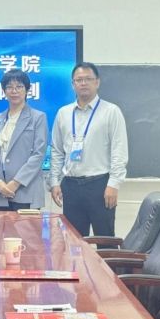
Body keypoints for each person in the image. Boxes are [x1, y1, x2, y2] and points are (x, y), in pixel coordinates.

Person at [49, 62, 128, 238]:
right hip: (70, 185)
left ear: (97, 82)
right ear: (73, 84)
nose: (83, 83)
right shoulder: (63, 113)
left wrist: (113, 184)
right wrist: (54, 182)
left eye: (88, 79)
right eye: (79, 80)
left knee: (105, 239)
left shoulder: (111, 111)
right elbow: (56, 151)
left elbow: (119, 150)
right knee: (74, 241)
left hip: (100, 185)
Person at [0, 69, 48, 211]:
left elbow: (38, 155)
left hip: (26, 191)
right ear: (4, 91)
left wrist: (15, 183)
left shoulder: (38, 117)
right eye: (9, 87)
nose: (14, 91)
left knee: (26, 227)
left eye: (19, 87)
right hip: (0, 193)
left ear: (27, 90)